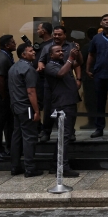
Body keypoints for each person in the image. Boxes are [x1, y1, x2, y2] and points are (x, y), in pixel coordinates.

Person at [44, 43, 82, 177]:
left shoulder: (64, 63)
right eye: (57, 51)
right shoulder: (50, 66)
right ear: (51, 55)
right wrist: (70, 58)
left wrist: (77, 52)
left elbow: (79, 63)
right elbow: (61, 74)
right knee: (64, 137)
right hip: (62, 105)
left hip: (69, 103)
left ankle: (55, 165)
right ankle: (63, 167)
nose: (61, 52)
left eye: (62, 51)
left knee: (64, 136)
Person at [8, 42, 43, 177]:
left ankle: (15, 166)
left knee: (17, 136)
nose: (34, 52)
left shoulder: (13, 68)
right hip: (26, 107)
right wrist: (37, 111)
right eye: (30, 51)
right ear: (23, 54)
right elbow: (31, 91)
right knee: (29, 137)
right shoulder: (29, 69)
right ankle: (30, 167)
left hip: (16, 106)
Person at [86, 14, 108, 138]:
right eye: (104, 20)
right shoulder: (96, 38)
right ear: (101, 23)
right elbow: (91, 54)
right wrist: (87, 69)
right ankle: (99, 128)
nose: (107, 22)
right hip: (99, 74)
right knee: (99, 103)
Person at [0, 34, 15, 160]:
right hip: (0, 95)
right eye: (12, 42)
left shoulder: (7, 55)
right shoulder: (2, 59)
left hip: (5, 94)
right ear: (7, 45)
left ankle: (10, 147)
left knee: (8, 123)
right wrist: (4, 96)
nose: (15, 44)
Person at [34, 22, 54, 142]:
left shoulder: (52, 45)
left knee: (48, 106)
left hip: (47, 80)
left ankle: (46, 130)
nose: (37, 31)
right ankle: (39, 128)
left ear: (44, 31)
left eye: (39, 29)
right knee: (37, 104)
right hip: (38, 80)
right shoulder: (41, 45)